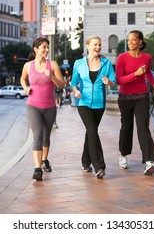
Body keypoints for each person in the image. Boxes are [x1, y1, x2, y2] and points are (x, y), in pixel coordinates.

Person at [115, 30, 154, 175]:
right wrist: (135, 74)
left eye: (134, 40)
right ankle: (123, 155)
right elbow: (119, 80)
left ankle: (149, 162)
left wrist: (153, 84)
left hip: (142, 96)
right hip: (125, 97)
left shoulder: (147, 57)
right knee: (126, 127)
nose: (130, 43)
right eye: (129, 40)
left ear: (140, 41)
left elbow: (147, 72)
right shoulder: (122, 58)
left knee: (143, 127)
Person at [71, 35, 116, 179]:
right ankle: (99, 166)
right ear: (88, 46)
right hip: (83, 102)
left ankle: (85, 161)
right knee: (92, 130)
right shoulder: (79, 63)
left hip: (99, 103)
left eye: (99, 45)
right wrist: (76, 91)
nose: (98, 47)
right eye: (95, 45)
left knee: (91, 132)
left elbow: (113, 83)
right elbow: (73, 83)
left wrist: (107, 81)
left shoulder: (106, 63)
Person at [20, 37, 64, 180]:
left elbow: (61, 85)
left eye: (47, 47)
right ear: (36, 49)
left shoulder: (53, 65)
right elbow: (22, 79)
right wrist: (25, 87)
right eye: (44, 47)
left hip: (50, 107)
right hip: (33, 105)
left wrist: (51, 76)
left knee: (46, 136)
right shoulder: (28, 65)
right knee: (37, 134)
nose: (46, 50)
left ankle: (45, 160)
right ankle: (37, 168)